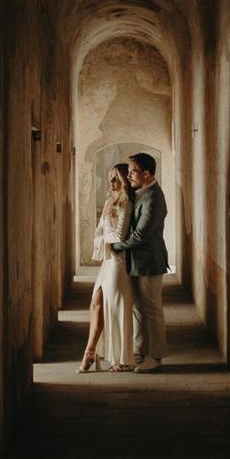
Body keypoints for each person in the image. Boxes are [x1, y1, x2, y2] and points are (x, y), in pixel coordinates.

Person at [111, 152, 168, 372]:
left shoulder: (154, 197)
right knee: (137, 309)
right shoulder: (141, 193)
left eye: (133, 171)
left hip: (150, 261)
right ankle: (140, 352)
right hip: (138, 261)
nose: (129, 175)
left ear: (146, 173)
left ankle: (156, 356)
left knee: (152, 309)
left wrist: (116, 246)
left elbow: (141, 234)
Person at [78, 164, 136, 372]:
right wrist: (102, 238)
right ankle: (91, 351)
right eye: (110, 178)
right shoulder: (108, 203)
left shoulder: (126, 204)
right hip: (107, 262)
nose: (112, 182)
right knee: (96, 304)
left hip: (118, 263)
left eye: (116, 178)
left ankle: (120, 359)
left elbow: (120, 236)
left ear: (125, 181)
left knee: (115, 309)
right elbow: (99, 231)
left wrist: (102, 239)